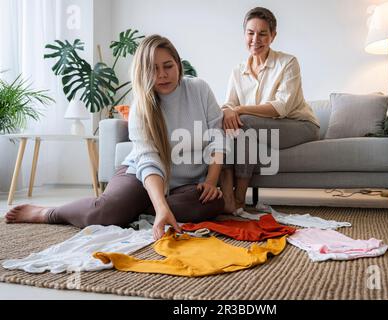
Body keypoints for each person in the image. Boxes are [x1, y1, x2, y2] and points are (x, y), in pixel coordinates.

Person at [5, 35, 227, 240]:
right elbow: (149, 160)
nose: (162, 74)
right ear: (143, 72)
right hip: (141, 175)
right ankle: (48, 213)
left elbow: (218, 136)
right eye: (153, 69)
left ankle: (134, 208)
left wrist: (210, 181)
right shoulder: (142, 105)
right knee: (105, 211)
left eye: (168, 66)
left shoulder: (199, 89)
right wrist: (161, 205)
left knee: (212, 203)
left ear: (178, 64)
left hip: (186, 184)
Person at [220, 7, 320, 214]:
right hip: (255, 129)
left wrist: (237, 110)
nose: (255, 39)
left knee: (243, 121)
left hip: (299, 126)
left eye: (263, 33)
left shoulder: (288, 63)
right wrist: (228, 111)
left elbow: (280, 107)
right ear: (244, 34)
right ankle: (229, 198)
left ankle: (238, 198)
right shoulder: (237, 71)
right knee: (230, 124)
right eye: (250, 33)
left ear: (273, 36)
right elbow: (228, 104)